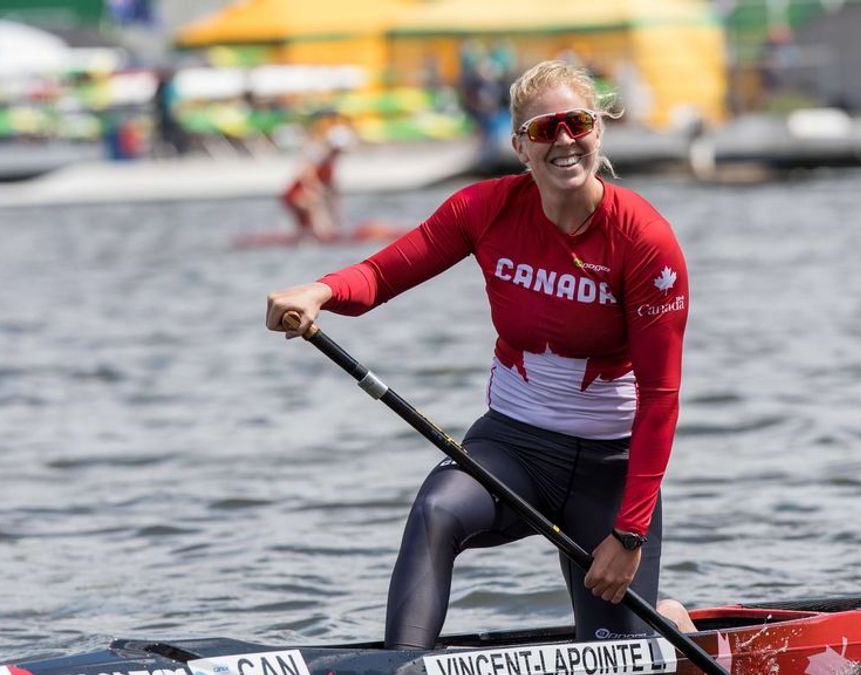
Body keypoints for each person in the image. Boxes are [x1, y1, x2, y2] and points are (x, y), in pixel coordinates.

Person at [266, 59, 689, 648]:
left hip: (610, 467)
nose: (564, 140)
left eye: (577, 123)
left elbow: (661, 399)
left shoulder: (644, 239)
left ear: (597, 131)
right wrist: (320, 291)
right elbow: (381, 275)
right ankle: (403, 665)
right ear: (519, 145)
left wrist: (630, 534)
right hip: (514, 445)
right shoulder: (483, 210)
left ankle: (665, 621)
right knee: (436, 511)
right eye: (545, 130)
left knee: (612, 652)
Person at [279, 112, 353, 242]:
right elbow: (306, 175)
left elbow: (330, 185)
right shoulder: (318, 153)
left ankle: (324, 231)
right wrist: (315, 190)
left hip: (305, 191)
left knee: (327, 203)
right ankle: (320, 234)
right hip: (295, 192)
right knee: (314, 204)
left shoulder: (330, 159)